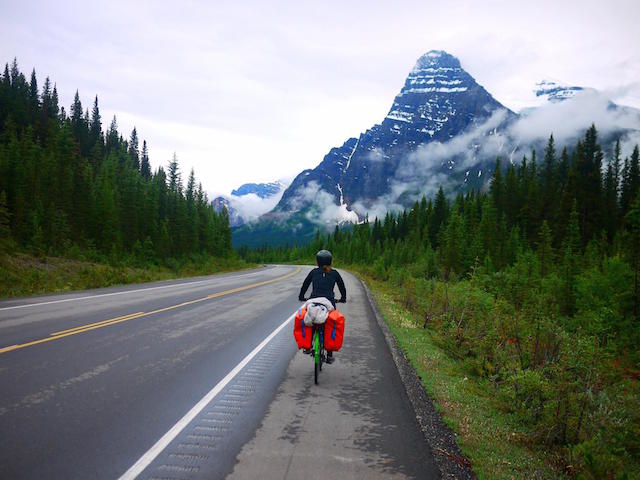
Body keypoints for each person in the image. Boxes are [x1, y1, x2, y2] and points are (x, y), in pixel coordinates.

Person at [298, 249, 346, 364]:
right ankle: (329, 355)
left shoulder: (314, 272)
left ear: (317, 261)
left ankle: (308, 346)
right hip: (329, 303)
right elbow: (342, 287)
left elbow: (305, 284)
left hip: (313, 301)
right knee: (329, 323)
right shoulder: (334, 273)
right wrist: (343, 298)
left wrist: (301, 296)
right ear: (330, 261)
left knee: (310, 318)